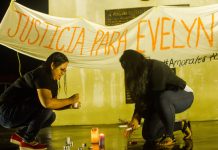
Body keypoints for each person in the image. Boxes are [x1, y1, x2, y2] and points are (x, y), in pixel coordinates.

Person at [0, 52, 80, 150]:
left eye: (65, 70)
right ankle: (28, 141)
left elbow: (51, 105)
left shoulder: (52, 80)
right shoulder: (42, 74)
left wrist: (69, 105)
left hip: (15, 113)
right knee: (47, 105)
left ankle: (20, 135)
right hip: (6, 113)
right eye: (62, 69)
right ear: (53, 65)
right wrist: (70, 99)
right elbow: (47, 104)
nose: (63, 73)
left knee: (51, 117)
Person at [119, 49, 194, 146]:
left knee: (163, 98)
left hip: (183, 95)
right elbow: (141, 99)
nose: (127, 72)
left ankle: (169, 136)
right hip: (161, 101)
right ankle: (182, 125)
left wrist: (140, 116)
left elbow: (156, 98)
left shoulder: (156, 68)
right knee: (149, 134)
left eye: (128, 69)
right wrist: (135, 118)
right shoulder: (140, 77)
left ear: (135, 65)